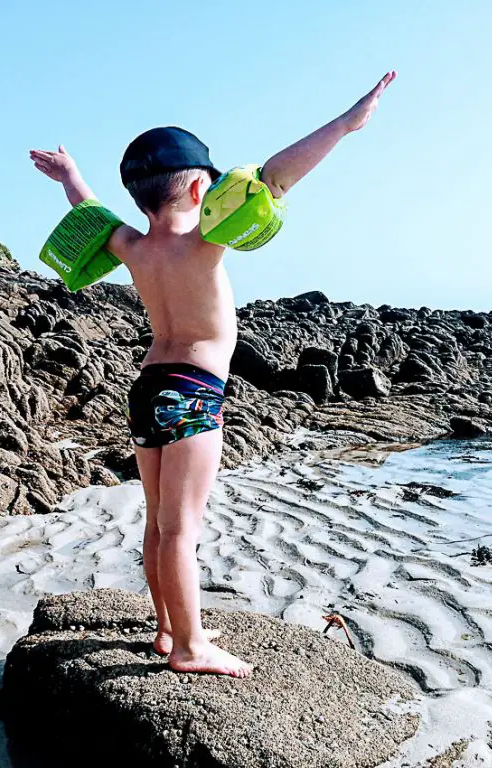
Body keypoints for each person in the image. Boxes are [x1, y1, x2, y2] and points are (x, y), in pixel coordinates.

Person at [29, 70, 396, 677]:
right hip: (193, 391)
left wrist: (71, 176)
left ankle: (167, 626)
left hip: (147, 388)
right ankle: (191, 648)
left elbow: (89, 211)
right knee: (182, 529)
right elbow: (277, 176)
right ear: (201, 187)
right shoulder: (204, 241)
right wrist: (348, 123)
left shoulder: (131, 245)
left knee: (157, 521)